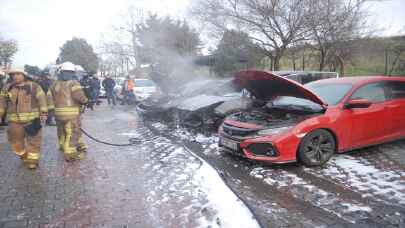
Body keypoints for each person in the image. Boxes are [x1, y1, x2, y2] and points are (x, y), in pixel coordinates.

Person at [0, 69, 48, 169]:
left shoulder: (34, 86)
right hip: (14, 121)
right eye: (13, 75)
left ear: (24, 75)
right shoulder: (7, 87)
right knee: (15, 142)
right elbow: (2, 102)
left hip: (32, 120)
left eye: (18, 74)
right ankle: (24, 155)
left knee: (34, 141)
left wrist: (44, 112)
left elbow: (42, 99)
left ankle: (33, 161)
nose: (15, 76)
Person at [50, 62, 88, 161]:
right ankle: (70, 154)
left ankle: (62, 146)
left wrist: (51, 111)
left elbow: (49, 97)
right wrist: (86, 101)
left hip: (58, 113)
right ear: (73, 72)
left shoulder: (54, 84)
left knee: (61, 131)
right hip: (71, 114)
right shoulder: (73, 83)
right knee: (72, 132)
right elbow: (79, 97)